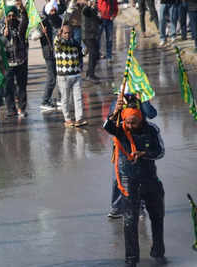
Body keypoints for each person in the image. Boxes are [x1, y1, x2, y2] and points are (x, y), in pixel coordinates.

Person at [103, 99, 166, 267]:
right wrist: (115, 112)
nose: (130, 125)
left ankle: (158, 251)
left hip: (149, 178)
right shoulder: (120, 128)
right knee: (130, 220)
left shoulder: (152, 129)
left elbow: (160, 152)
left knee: (157, 215)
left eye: (134, 122)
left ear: (141, 119)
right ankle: (131, 259)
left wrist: (144, 153)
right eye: (128, 121)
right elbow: (106, 126)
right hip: (128, 180)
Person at [106, 93, 157, 219]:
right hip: (122, 146)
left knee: (141, 178)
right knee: (118, 177)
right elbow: (109, 123)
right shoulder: (118, 100)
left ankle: (139, 208)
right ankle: (117, 207)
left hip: (140, 144)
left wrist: (143, 101)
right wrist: (117, 110)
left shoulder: (142, 99)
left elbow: (151, 114)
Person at [54, 24, 87, 127]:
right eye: (65, 33)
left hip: (76, 74)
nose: (67, 35)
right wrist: (58, 36)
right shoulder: (58, 43)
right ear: (61, 33)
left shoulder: (75, 42)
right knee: (65, 99)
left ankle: (79, 119)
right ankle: (67, 119)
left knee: (78, 98)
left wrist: (85, 49)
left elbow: (83, 51)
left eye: (69, 33)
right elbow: (58, 42)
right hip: (64, 76)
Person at [37, 0, 65, 110]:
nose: (53, 12)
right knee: (52, 78)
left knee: (61, 76)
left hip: (59, 53)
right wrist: (41, 32)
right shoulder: (44, 22)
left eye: (54, 10)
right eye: (51, 10)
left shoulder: (60, 20)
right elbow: (35, 35)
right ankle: (45, 101)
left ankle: (61, 99)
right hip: (49, 53)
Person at [2, 4, 29, 118]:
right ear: (6, 17)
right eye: (9, 16)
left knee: (22, 86)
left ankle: (22, 108)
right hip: (7, 63)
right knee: (8, 87)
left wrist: (23, 10)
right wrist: (3, 34)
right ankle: (10, 109)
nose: (11, 17)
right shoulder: (2, 27)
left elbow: (25, 21)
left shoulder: (19, 26)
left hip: (20, 61)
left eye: (13, 15)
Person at [82, 0, 102, 81]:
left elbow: (99, 22)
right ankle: (90, 75)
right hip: (87, 35)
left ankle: (90, 73)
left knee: (96, 54)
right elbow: (85, 11)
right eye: (94, 2)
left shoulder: (94, 10)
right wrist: (88, 5)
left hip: (93, 35)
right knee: (93, 53)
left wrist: (100, 16)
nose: (96, 3)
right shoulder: (87, 9)